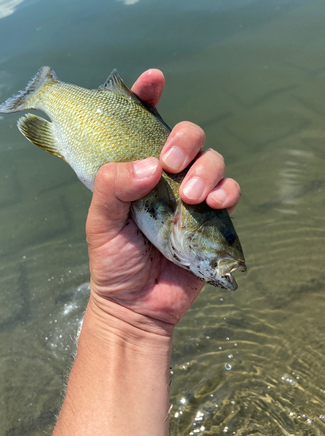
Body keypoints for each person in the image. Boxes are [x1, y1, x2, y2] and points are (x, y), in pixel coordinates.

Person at [52, 69, 241, 436]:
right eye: (227, 240)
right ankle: (49, 92)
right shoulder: (175, 230)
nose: (230, 255)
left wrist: (132, 321)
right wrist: (123, 316)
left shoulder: (177, 242)